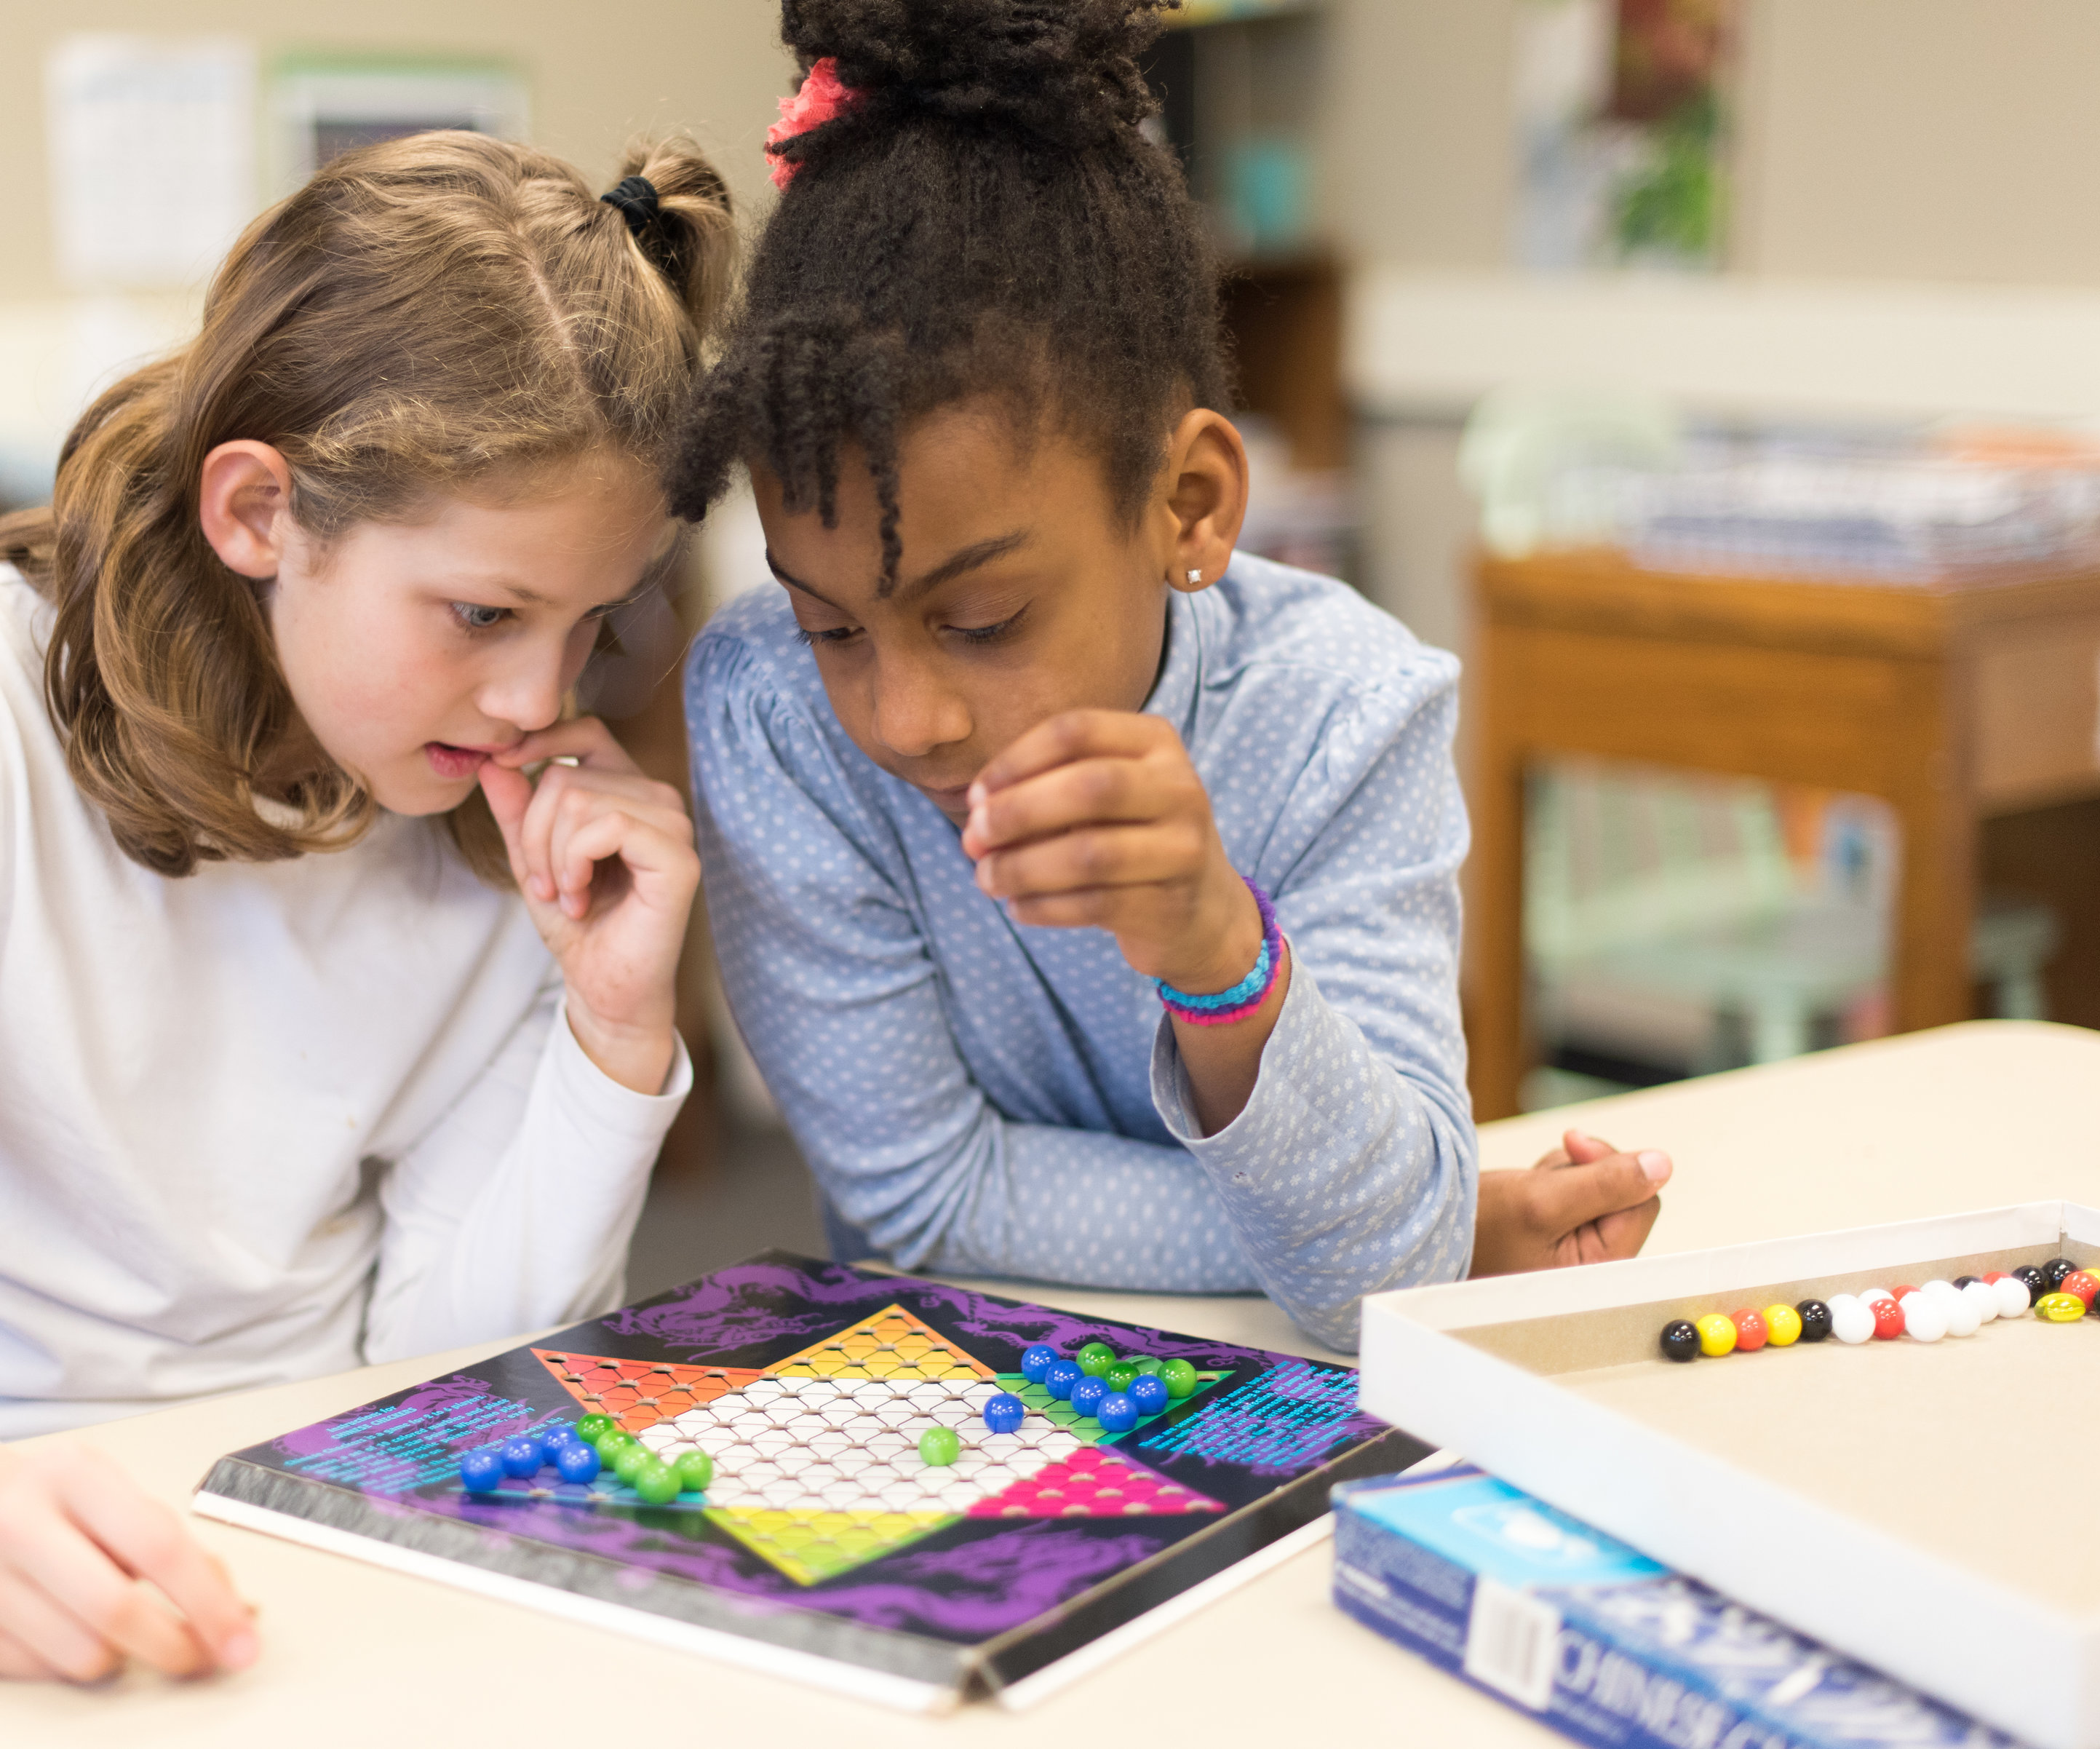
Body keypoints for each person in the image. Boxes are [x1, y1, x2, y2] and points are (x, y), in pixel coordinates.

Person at [0, 132, 731, 1691]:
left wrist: (612, 1033)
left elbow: (450, 1355)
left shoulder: (489, 804)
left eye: (588, 622)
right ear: (257, 511)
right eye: (482, 612)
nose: (537, 696)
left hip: (296, 1528)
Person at [672, 0, 1667, 1353]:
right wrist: (1434, 1219)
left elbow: (1373, 1272)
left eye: (985, 618)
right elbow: (919, 1199)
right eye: (833, 625)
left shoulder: (1346, 716)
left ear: (1189, 505)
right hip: (948, 1392)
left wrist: (1219, 955)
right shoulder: (772, 713)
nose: (902, 720)